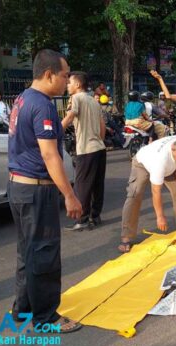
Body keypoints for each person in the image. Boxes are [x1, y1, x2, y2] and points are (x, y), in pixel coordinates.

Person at [7, 49, 83, 333]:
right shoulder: (43, 104)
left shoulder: (23, 98)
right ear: (49, 74)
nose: (67, 81)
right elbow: (50, 155)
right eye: (64, 76)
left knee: (27, 250)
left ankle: (23, 307)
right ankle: (46, 318)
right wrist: (70, 194)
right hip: (36, 189)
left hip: (18, 186)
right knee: (45, 252)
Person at [118, 136, 176, 252]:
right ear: (173, 149)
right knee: (135, 194)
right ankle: (126, 236)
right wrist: (160, 217)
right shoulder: (159, 161)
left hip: (169, 167)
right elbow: (156, 191)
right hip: (142, 164)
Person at [61, 71, 107, 231]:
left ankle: (81, 219)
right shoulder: (94, 101)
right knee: (97, 185)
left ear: (77, 85)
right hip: (100, 149)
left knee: (82, 185)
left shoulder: (76, 98)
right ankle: (95, 216)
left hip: (86, 149)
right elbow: (102, 127)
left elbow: (70, 116)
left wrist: (53, 133)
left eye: (69, 83)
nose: (67, 86)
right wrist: (99, 140)